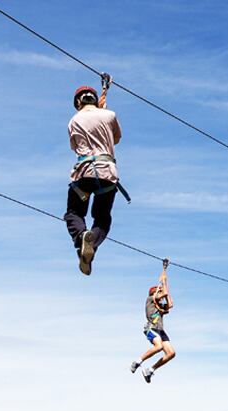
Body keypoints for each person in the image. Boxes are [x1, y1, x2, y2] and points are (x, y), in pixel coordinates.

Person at [63, 75, 126, 276]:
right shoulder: (109, 115)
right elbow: (116, 139)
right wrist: (103, 112)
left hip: (84, 174)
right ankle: (90, 245)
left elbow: (74, 145)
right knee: (102, 217)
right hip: (107, 174)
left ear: (78, 102)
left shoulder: (73, 121)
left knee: (74, 213)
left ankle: (82, 237)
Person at [132, 261, 175, 382]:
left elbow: (170, 304)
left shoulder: (159, 306)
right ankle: (137, 362)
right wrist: (164, 280)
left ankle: (150, 370)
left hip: (160, 330)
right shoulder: (150, 299)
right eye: (159, 291)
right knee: (159, 347)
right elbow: (164, 292)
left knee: (171, 353)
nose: (161, 292)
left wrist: (165, 284)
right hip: (151, 328)